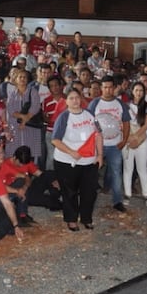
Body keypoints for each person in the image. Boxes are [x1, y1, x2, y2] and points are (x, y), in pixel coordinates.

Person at [52, 88, 103, 231]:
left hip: (89, 161)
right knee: (69, 192)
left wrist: (99, 155)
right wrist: (71, 152)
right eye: (71, 98)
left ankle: (86, 218)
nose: (75, 101)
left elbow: (98, 135)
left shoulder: (90, 115)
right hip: (66, 161)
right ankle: (71, 219)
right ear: (66, 101)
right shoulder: (63, 117)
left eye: (77, 97)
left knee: (89, 192)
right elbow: (55, 140)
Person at [88, 75, 130, 212]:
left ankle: (117, 201)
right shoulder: (95, 103)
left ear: (114, 88)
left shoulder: (120, 104)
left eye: (110, 87)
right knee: (91, 172)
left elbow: (126, 122)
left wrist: (124, 140)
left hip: (114, 145)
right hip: (97, 144)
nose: (107, 90)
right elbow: (88, 122)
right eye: (105, 87)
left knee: (116, 172)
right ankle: (89, 199)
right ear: (101, 88)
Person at [122, 81, 147, 206]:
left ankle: (146, 194)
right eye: (136, 90)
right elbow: (122, 122)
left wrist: (135, 136)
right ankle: (127, 194)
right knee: (128, 168)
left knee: (142, 168)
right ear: (132, 91)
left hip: (142, 140)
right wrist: (129, 137)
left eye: (141, 90)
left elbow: (146, 125)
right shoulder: (126, 105)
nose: (139, 93)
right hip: (127, 139)